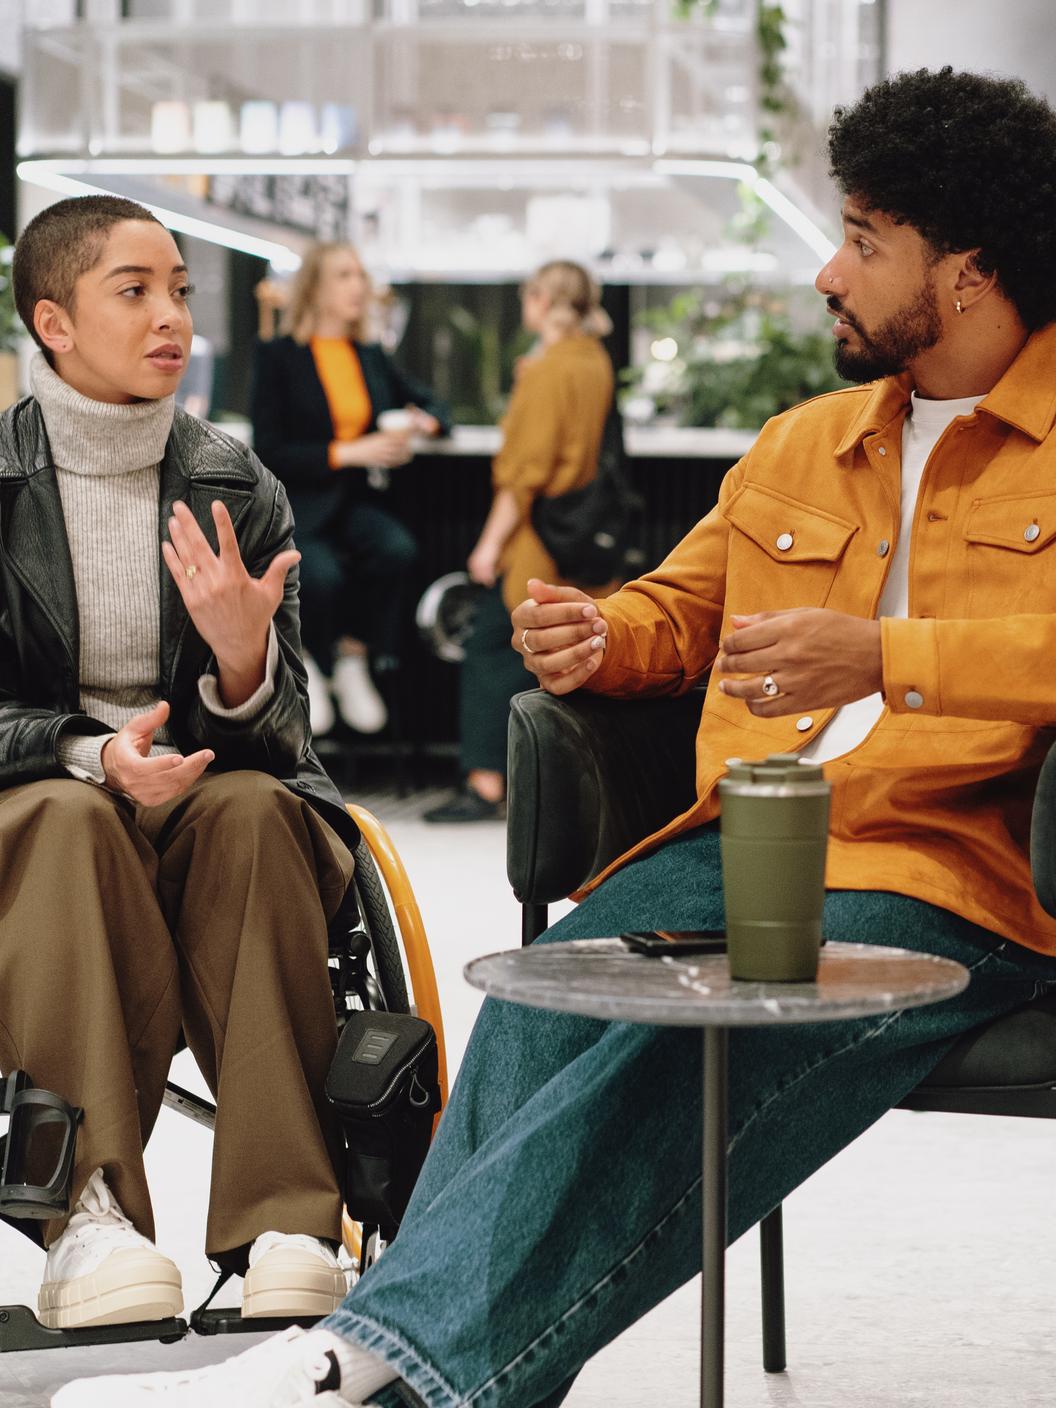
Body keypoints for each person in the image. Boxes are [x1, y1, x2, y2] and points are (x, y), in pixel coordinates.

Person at [59, 68, 1056, 1407]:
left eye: (862, 241)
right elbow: (689, 605)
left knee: (675, 1044)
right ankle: (391, 1363)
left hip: (958, 874)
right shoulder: (807, 443)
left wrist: (888, 657)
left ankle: (352, 1367)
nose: (828, 276)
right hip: (750, 833)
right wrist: (608, 638)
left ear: (964, 274)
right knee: (547, 1003)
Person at [0, 196, 363, 1331]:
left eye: (180, 292)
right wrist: (89, 753)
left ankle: (287, 1220)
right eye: (135, 290)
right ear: (54, 322)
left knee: (257, 811)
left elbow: (289, 741)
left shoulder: (236, 486)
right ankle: (89, 1213)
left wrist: (245, 662)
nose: (174, 319)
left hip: (207, 809)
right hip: (41, 819)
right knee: (69, 819)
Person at [423, 259, 616, 824]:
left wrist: (487, 547)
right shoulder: (593, 360)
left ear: (542, 300)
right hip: (578, 534)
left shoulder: (550, 369)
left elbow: (524, 474)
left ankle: (485, 783)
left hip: (536, 538)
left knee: (490, 648)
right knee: (568, 655)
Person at [251, 243, 451, 737]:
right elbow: (270, 449)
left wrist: (424, 422)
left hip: (356, 503)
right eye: (344, 276)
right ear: (315, 288)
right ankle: (312, 665)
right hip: (300, 505)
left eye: (360, 275)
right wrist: (350, 452)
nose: (358, 286)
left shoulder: (370, 355)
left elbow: (430, 402)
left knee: (397, 550)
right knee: (320, 578)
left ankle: (353, 656)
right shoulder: (280, 357)